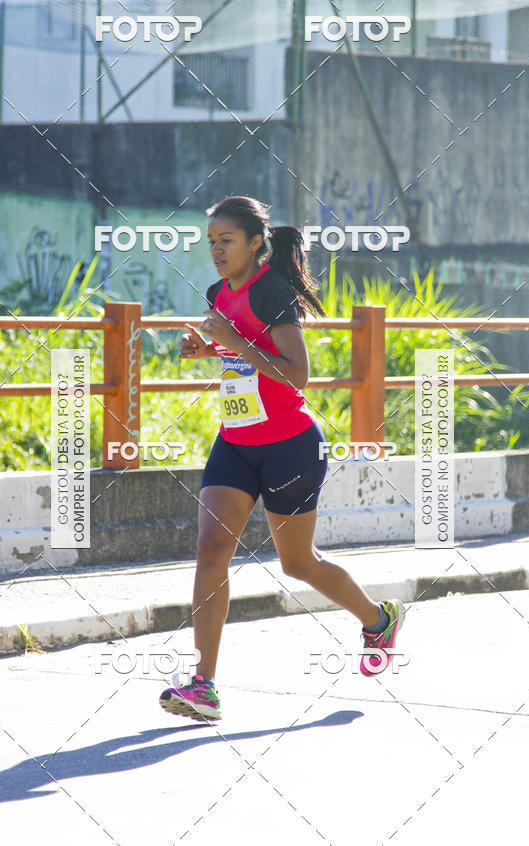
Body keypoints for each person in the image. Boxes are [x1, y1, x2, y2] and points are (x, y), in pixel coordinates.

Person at [159, 196, 405, 722]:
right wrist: (210, 350)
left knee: (297, 563)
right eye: (211, 243)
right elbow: (239, 349)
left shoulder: (271, 290)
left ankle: (377, 619)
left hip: (290, 445)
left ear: (255, 243)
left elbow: (297, 373)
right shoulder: (216, 293)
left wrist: (232, 342)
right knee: (210, 550)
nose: (217, 251)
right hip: (236, 442)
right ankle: (204, 684)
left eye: (226, 241)